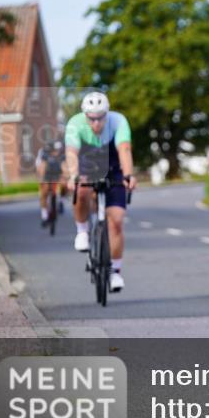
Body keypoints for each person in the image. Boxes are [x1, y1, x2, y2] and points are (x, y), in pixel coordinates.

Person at [64, 92, 137, 293]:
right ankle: (82, 231)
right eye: (91, 118)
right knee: (81, 190)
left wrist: (129, 175)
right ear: (85, 115)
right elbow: (71, 153)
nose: (96, 123)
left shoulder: (118, 121)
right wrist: (73, 175)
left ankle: (115, 272)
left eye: (100, 117)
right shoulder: (75, 123)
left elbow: (124, 150)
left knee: (117, 221)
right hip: (86, 164)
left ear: (107, 113)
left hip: (113, 166)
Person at [35, 140, 66, 225]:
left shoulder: (62, 155)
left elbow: (64, 167)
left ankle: (61, 202)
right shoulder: (44, 155)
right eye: (55, 150)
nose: (56, 152)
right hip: (47, 175)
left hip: (58, 174)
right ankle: (44, 216)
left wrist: (65, 177)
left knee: (64, 185)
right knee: (44, 193)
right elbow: (41, 167)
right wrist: (42, 179)